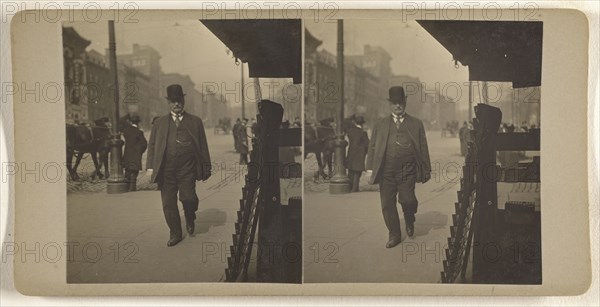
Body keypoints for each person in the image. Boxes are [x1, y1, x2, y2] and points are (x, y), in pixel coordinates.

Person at [146, 84, 212, 247]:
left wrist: (206, 166)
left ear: (183, 101)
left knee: (188, 198)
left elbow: (203, 145)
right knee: (168, 203)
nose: (176, 104)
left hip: (187, 168)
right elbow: (153, 145)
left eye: (179, 100)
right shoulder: (159, 123)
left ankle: (190, 215)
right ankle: (175, 232)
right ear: (168, 103)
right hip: (165, 170)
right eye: (173, 101)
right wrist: (150, 167)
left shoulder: (195, 121)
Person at [366, 86, 431, 248]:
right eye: (394, 103)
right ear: (389, 104)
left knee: (408, 200)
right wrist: (369, 169)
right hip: (386, 171)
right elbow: (373, 147)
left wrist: (426, 168)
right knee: (387, 203)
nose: (397, 106)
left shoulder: (416, 124)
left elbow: (423, 146)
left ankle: (409, 217)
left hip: (407, 170)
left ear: (405, 102)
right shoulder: (380, 124)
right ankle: (394, 234)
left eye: (400, 102)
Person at [122, 115, 147, 192]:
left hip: (127, 154)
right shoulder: (139, 132)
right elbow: (144, 144)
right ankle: (132, 188)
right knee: (134, 171)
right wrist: (140, 151)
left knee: (128, 170)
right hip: (136, 154)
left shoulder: (126, 131)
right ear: (138, 123)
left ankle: (126, 187)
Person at [346, 116, 369, 192]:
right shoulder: (363, 133)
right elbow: (367, 144)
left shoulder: (350, 132)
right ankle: (355, 188)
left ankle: (349, 187)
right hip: (360, 154)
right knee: (357, 172)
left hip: (351, 153)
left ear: (355, 123)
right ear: (362, 124)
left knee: (351, 171)